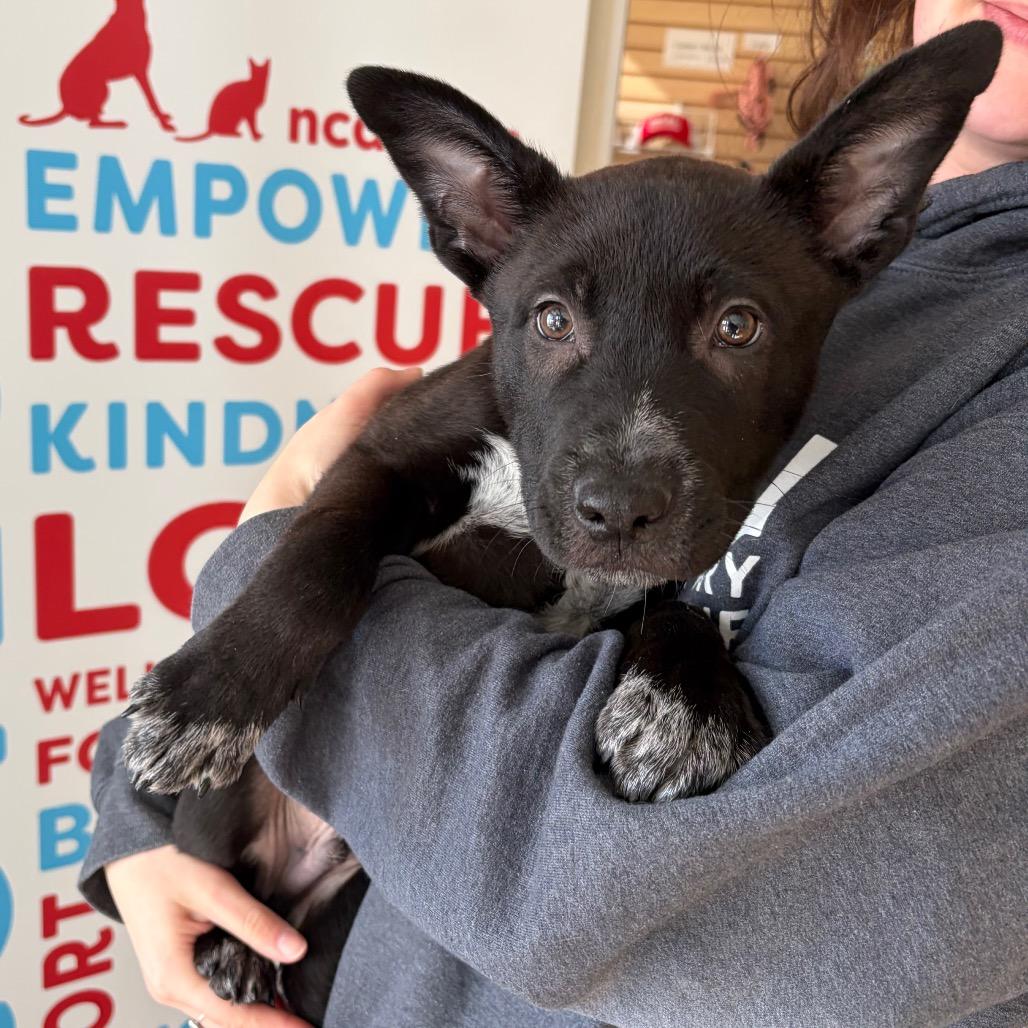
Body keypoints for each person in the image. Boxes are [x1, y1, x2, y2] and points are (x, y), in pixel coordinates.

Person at [80, 0, 1028, 1024]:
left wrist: (263, 542)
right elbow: (324, 535)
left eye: (735, 328)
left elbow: (732, 906)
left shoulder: (936, 339)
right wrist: (139, 818)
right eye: (554, 321)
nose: (623, 471)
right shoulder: (763, 261)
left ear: (864, 218)